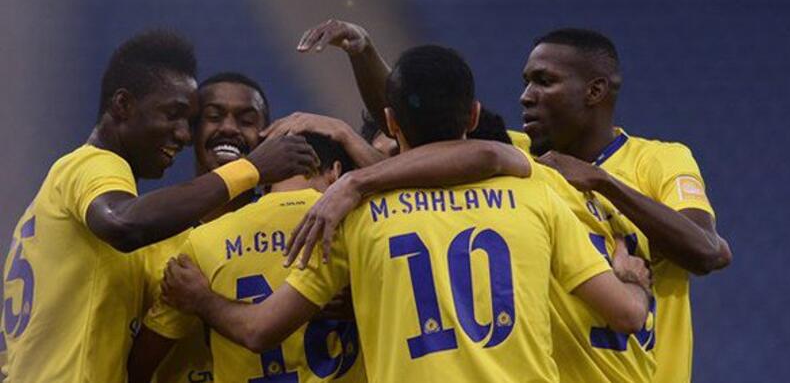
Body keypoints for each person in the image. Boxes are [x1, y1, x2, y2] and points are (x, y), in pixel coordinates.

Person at [159, 45, 652, 383]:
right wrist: (632, 278)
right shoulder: (535, 191)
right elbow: (628, 315)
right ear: (473, 116)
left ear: (391, 122)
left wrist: (203, 300)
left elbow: (259, 330)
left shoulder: (356, 213)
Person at [295, 20, 732, 382]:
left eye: (545, 81)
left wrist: (603, 182)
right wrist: (364, 54)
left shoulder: (659, 160)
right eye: (526, 83)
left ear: (595, 91)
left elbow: (708, 251)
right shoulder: (522, 161)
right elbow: (422, 118)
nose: (526, 95)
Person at [0, 30, 319, 382]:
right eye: (174, 114)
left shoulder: (129, 221)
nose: (183, 134)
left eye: (187, 121)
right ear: (123, 105)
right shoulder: (94, 166)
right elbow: (123, 224)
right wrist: (251, 169)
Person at [129, 133, 367, 383]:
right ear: (336, 172)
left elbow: (142, 361)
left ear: (264, 182)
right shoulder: (357, 225)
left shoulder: (203, 240)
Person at [137, 71, 273, 382]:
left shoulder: (287, 229)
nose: (229, 128)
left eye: (246, 120)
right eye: (213, 116)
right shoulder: (153, 232)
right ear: (192, 132)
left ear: (267, 137)